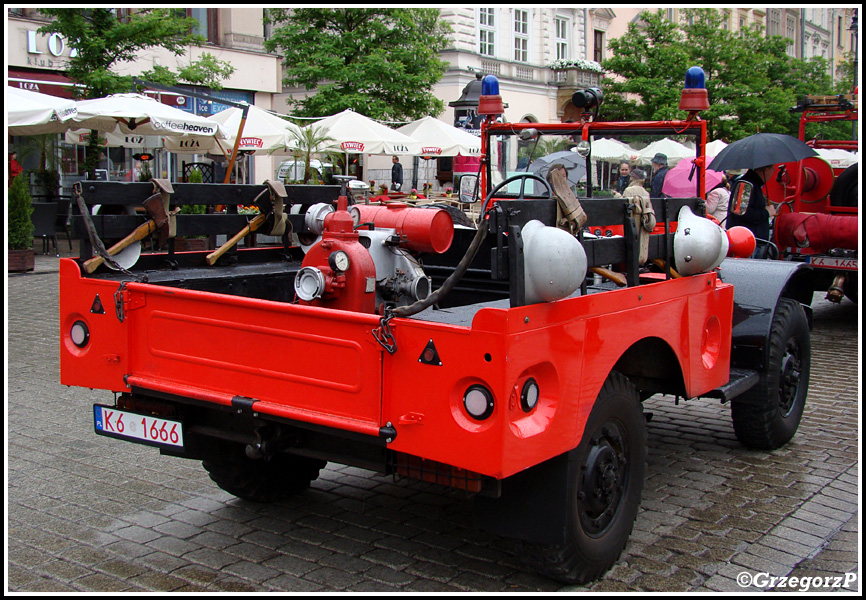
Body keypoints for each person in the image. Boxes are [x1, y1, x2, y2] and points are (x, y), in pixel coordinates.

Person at [728, 164, 775, 257]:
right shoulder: (746, 185)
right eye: (773, 170)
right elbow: (741, 213)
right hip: (745, 242)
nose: (773, 173)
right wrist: (766, 213)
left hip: (751, 240)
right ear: (766, 170)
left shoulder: (752, 184)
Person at [614, 167, 656, 264]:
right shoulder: (645, 192)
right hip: (643, 223)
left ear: (632, 178)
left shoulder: (629, 190)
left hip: (632, 223)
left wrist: (617, 196)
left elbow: (624, 204)